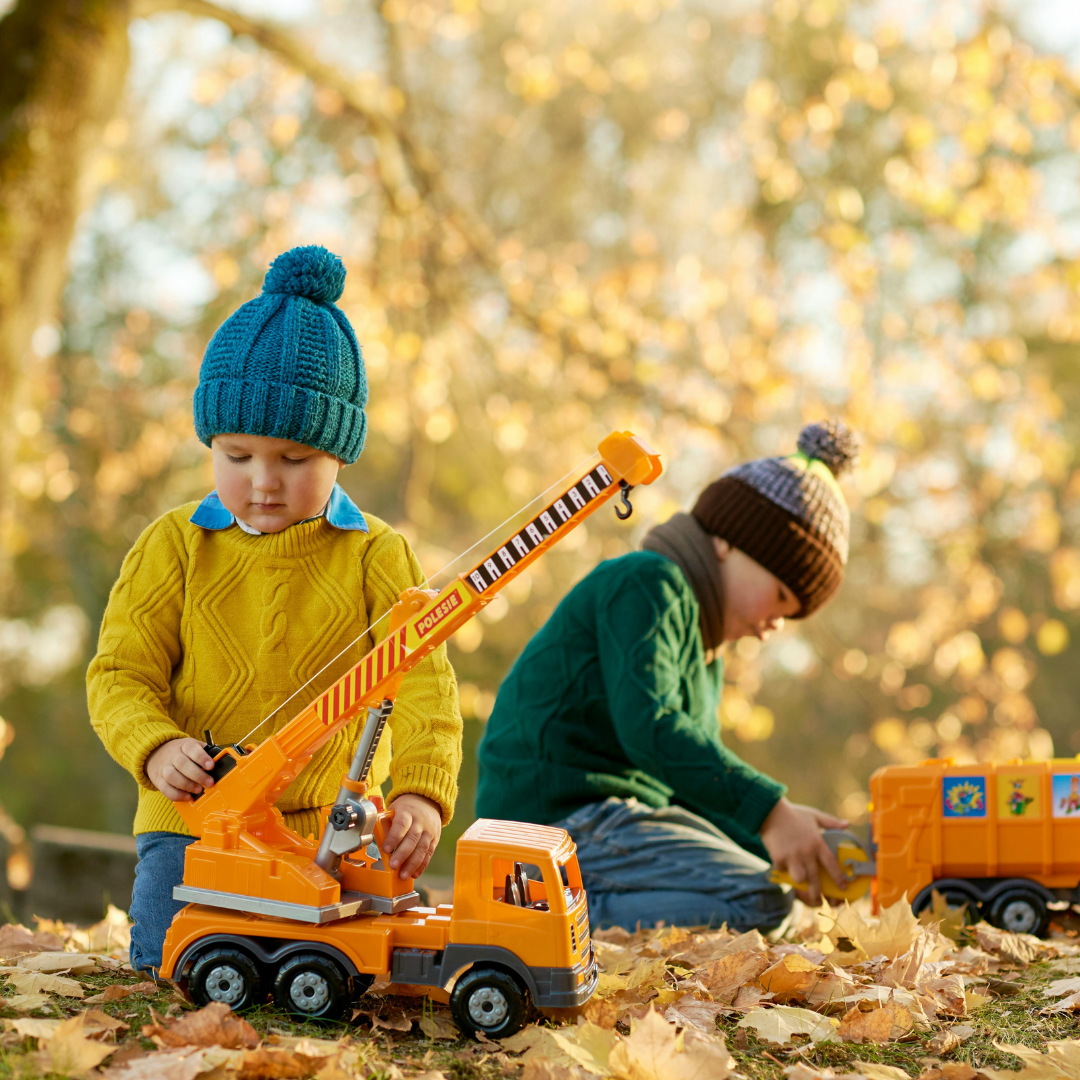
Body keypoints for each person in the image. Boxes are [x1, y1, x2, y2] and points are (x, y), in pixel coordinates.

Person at [87, 246, 462, 973]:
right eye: (236, 455)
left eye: (293, 461)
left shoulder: (377, 556)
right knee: (170, 959)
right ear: (212, 445)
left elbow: (424, 682)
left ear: (339, 455)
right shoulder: (173, 547)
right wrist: (156, 747)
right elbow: (119, 675)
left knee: (367, 964)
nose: (263, 482)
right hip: (194, 825)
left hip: (336, 825)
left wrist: (421, 794)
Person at [476, 421, 858, 933]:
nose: (774, 628)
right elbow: (650, 727)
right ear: (729, 542)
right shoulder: (647, 585)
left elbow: (688, 790)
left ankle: (562, 913)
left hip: (613, 824)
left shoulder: (705, 652)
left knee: (769, 894)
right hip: (557, 820)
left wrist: (780, 842)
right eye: (782, 598)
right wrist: (771, 812)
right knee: (762, 903)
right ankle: (548, 924)